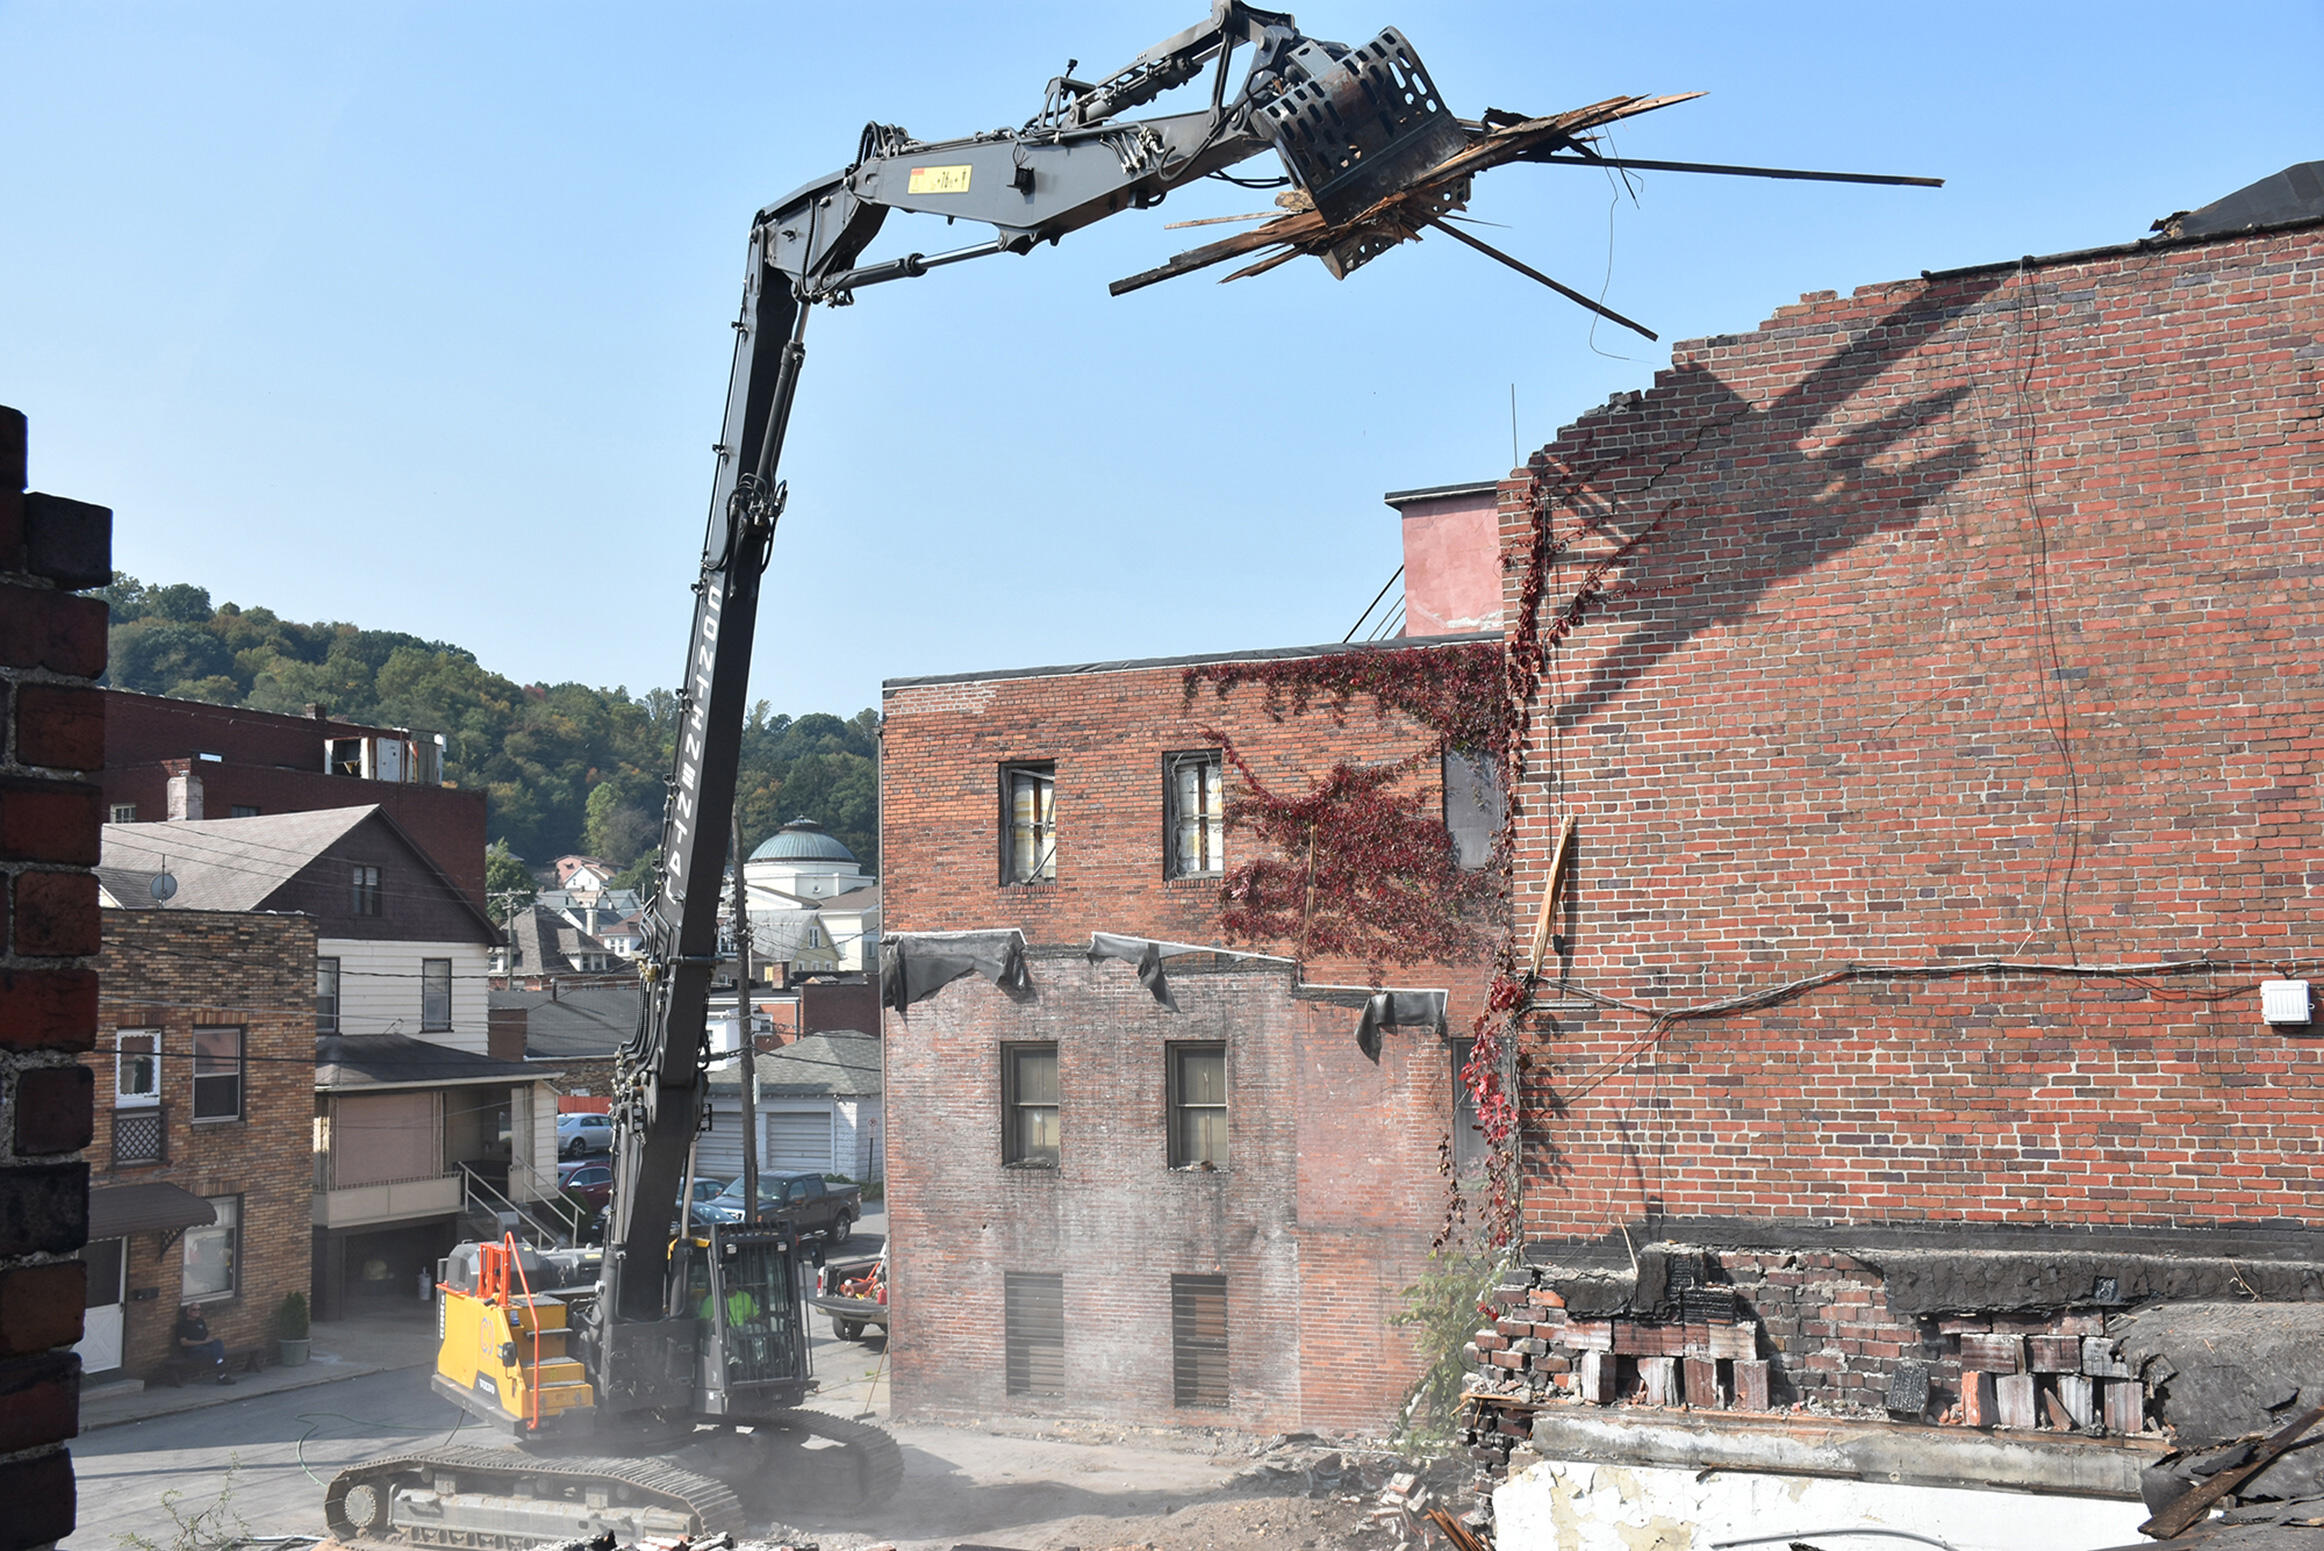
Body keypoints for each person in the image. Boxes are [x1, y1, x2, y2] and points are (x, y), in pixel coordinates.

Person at [174, 1303, 233, 1385]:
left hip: (205, 1346)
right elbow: (184, 1342)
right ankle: (222, 1373)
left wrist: (208, 1339)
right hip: (192, 1350)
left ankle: (220, 1368)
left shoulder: (200, 1321)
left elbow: (207, 1334)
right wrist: (203, 1342)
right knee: (213, 1352)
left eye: (199, 1309)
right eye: (194, 1309)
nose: (197, 1311)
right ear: (188, 1311)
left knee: (218, 1342)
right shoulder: (182, 1324)